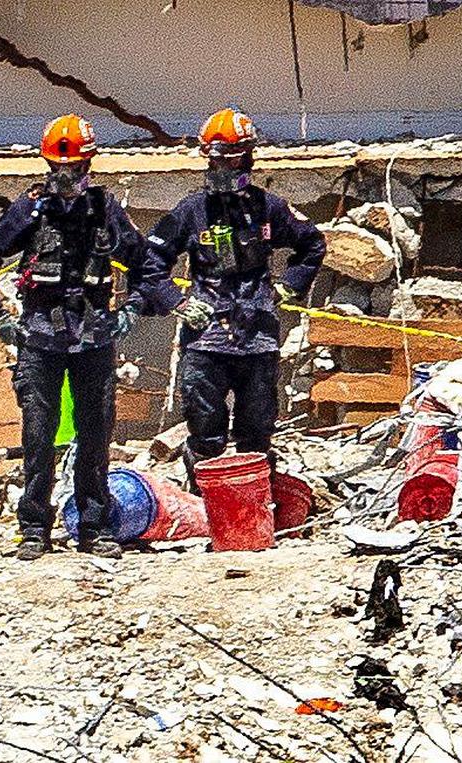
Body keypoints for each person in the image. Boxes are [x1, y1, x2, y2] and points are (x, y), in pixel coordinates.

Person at [0, 114, 148, 560]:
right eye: (59, 168)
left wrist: (131, 311)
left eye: (77, 168)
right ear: (47, 165)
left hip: (93, 341)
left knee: (95, 435)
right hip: (40, 340)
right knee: (38, 436)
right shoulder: (29, 209)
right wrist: (1, 317)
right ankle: (34, 528)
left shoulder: (106, 211)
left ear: (89, 165)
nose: (67, 178)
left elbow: (147, 266)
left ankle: (93, 526)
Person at [141, 108, 326, 493]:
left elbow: (312, 245)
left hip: (256, 334)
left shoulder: (269, 207)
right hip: (205, 334)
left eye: (232, 156)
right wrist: (176, 301)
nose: (224, 165)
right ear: (206, 158)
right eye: (216, 157)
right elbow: (151, 262)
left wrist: (287, 288)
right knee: (205, 428)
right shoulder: (191, 211)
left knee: (256, 431)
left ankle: (255, 504)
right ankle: (206, 504)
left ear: (248, 155)